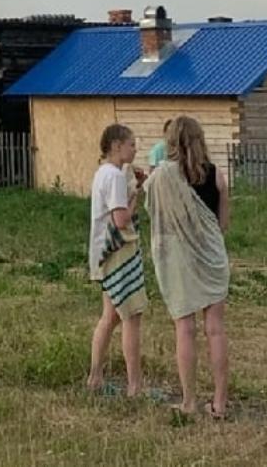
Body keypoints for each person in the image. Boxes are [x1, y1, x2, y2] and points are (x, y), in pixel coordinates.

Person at [142, 114, 230, 419]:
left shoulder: (161, 177)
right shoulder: (217, 175)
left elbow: (151, 209)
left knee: (185, 329)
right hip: (212, 259)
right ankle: (220, 402)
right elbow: (222, 224)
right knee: (215, 330)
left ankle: (190, 401)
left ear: (171, 143)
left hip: (179, 260)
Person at [87, 123, 148, 398]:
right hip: (117, 252)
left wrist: (133, 190)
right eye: (131, 144)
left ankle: (95, 376)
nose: (135, 149)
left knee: (109, 316)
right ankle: (135, 385)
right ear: (116, 146)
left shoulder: (104, 173)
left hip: (102, 251)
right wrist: (134, 195)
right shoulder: (113, 177)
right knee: (131, 315)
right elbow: (121, 219)